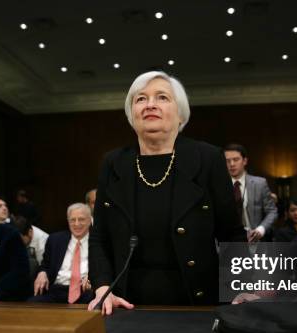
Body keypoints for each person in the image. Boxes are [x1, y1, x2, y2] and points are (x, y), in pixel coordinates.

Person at [88, 71, 246, 314]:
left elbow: (231, 234)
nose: (150, 104)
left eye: (162, 97)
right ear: (132, 113)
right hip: (125, 302)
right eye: (140, 99)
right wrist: (103, 288)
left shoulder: (208, 158)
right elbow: (100, 236)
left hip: (197, 302)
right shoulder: (113, 163)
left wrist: (241, 285)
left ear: (180, 113)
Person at [31, 203, 93, 303]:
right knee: (32, 303)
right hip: (57, 289)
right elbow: (45, 265)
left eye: (81, 219)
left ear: (90, 220)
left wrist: (93, 277)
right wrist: (42, 273)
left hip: (86, 291)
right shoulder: (55, 240)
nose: (77, 224)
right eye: (73, 220)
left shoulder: (98, 242)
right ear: (68, 221)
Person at [224, 143, 277, 242]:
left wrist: (260, 230)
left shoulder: (260, 183)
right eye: (227, 161)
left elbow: (272, 211)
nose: (231, 164)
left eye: (236, 160)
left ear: (244, 161)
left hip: (256, 238)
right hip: (230, 241)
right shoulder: (220, 186)